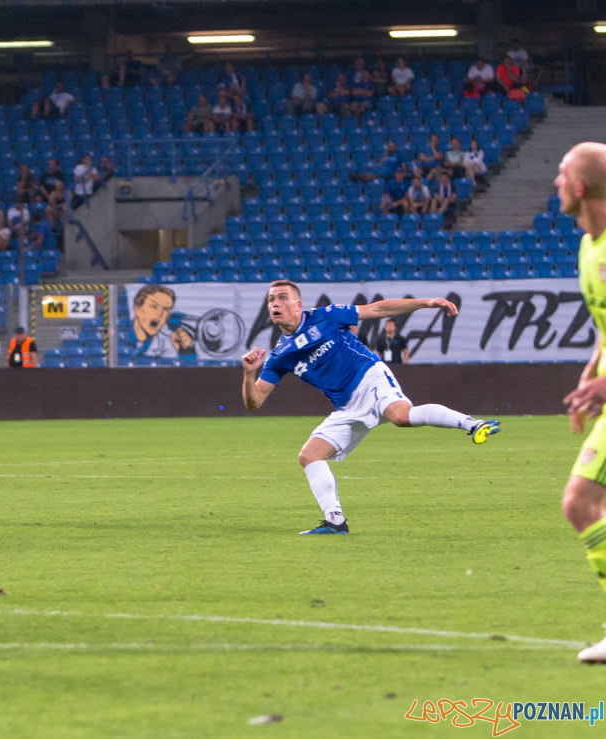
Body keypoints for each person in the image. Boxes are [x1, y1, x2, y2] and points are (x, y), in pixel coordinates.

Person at [240, 280, 499, 535]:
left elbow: (379, 309)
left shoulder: (325, 316)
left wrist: (426, 303)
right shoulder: (279, 355)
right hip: (346, 406)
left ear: (298, 304)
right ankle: (335, 522)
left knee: (400, 416)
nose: (275, 303)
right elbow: (255, 402)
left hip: (369, 376)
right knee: (309, 456)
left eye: (282, 297)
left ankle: (473, 424)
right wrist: (249, 375)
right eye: (271, 299)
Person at [552, 143, 606, 662]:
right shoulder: (589, 247)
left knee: (581, 501)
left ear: (582, 187)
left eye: (563, 173)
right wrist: (592, 370)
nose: (556, 182)